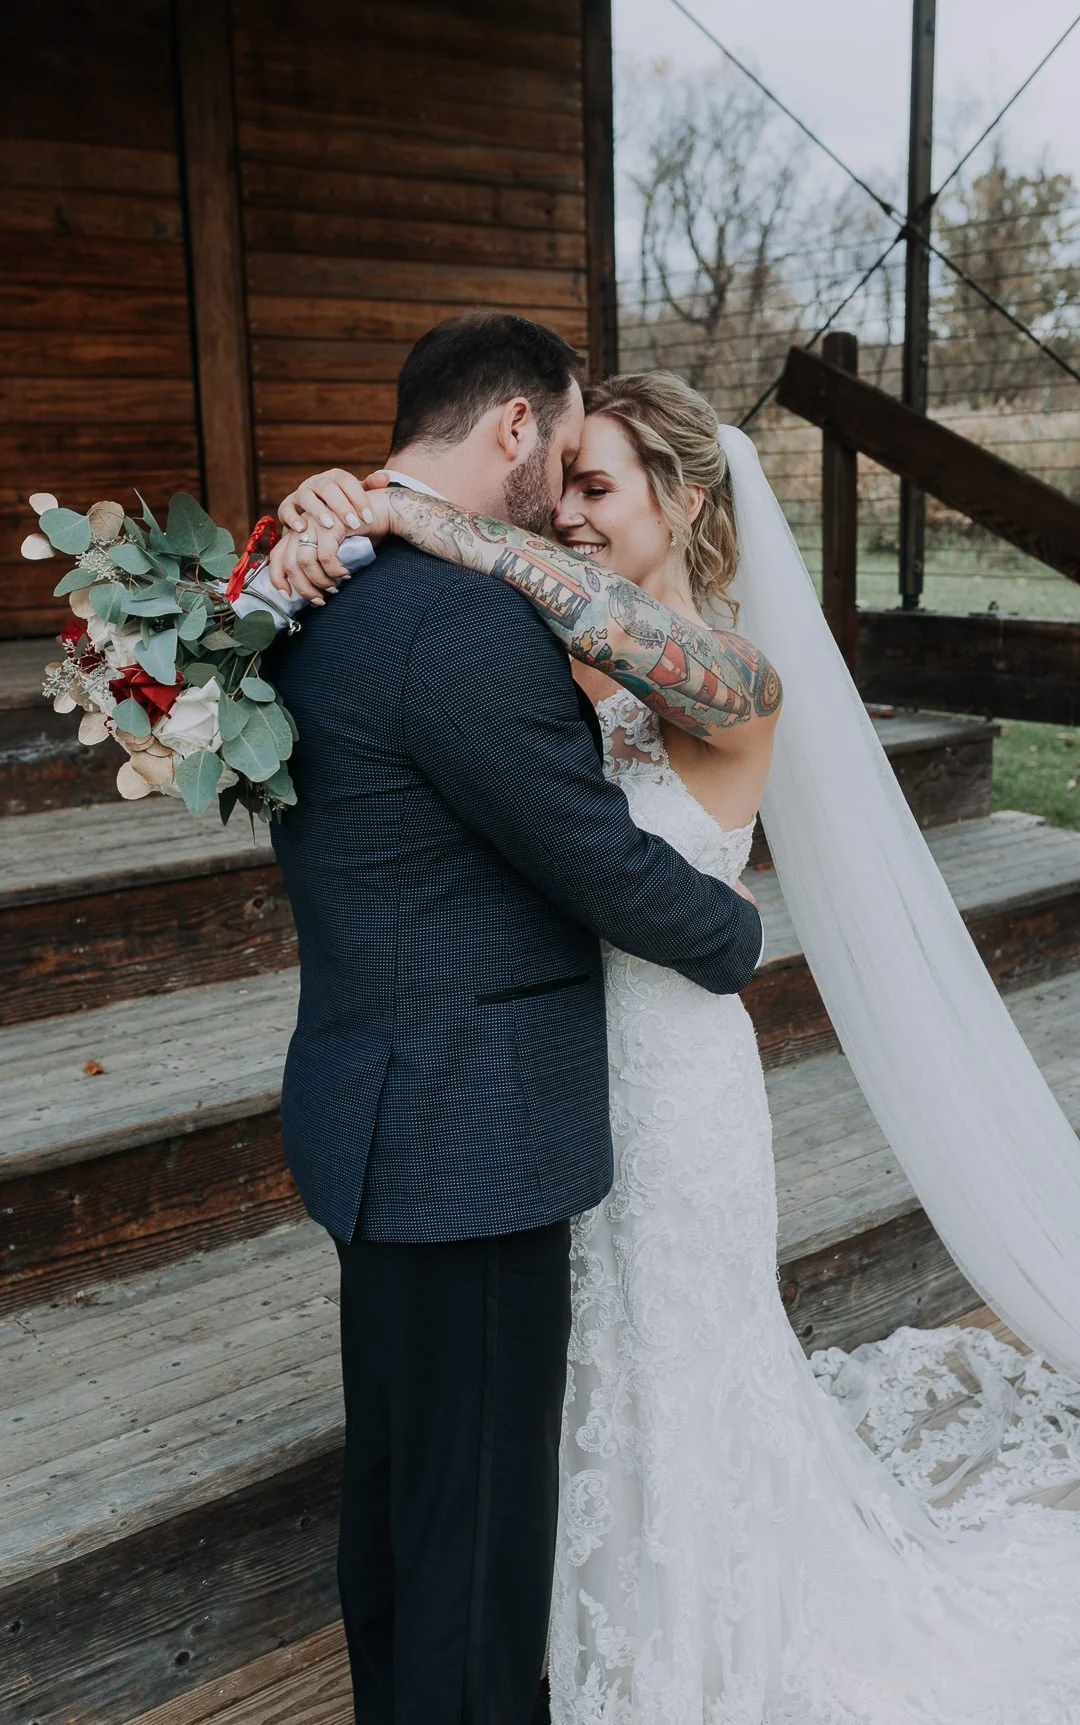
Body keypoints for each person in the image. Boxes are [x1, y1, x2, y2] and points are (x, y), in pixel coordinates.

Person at [274, 362, 1080, 1722]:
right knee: (573, 1386)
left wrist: (457, 526)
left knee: (679, 1373)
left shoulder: (734, 675)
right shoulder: (538, 642)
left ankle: (695, 1643)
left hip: (674, 1084)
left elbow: (637, 653)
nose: (570, 514)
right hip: (546, 1088)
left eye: (599, 486)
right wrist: (345, 509)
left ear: (686, 497)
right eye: (562, 484)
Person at [263, 314, 766, 1725]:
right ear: (514, 430)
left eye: (607, 482)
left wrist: (368, 510)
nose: (567, 492)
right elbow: (595, 859)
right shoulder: (465, 622)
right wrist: (736, 938)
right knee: (474, 1547)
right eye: (567, 450)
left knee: (402, 1502)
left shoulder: (314, 579)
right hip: (472, 1138)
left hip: (378, 1108)